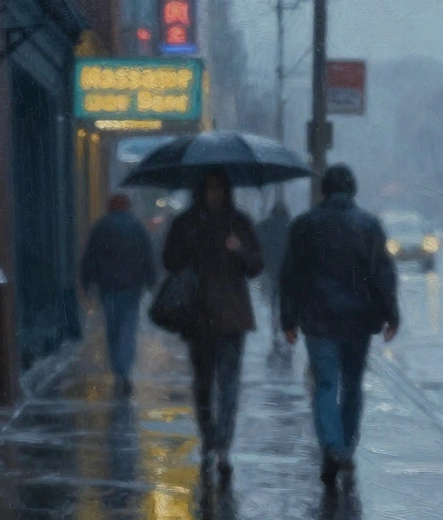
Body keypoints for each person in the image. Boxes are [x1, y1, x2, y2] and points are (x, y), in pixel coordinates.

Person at [280, 165, 399, 486]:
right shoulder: (368, 225)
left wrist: (289, 318)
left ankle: (331, 445)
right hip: (358, 320)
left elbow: (291, 276)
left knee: (325, 385)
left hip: (318, 319)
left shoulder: (304, 225)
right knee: (352, 385)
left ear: (324, 190)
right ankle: (345, 447)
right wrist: (391, 314)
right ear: (352, 189)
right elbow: (381, 274)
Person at [162, 168, 264, 475]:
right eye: (209, 188)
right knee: (204, 384)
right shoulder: (185, 223)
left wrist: (239, 249)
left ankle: (223, 446)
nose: (214, 194)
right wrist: (190, 246)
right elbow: (169, 261)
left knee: (229, 384)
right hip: (198, 315)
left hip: (232, 316)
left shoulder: (240, 222)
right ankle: (208, 439)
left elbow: (256, 265)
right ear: (200, 191)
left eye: (219, 188)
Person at [80, 193, 157, 397]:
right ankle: (124, 370)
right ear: (128, 207)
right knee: (128, 329)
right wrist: (151, 282)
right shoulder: (137, 227)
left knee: (113, 330)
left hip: (109, 287)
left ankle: (118, 371)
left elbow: (90, 256)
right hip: (132, 288)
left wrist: (87, 281)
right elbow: (147, 255)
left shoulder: (101, 227)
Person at [257, 201, 293, 335]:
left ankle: (275, 322)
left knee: (273, 294)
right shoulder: (291, 226)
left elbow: (258, 239)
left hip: (271, 265)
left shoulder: (266, 225)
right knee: (284, 295)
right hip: (285, 266)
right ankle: (282, 323)